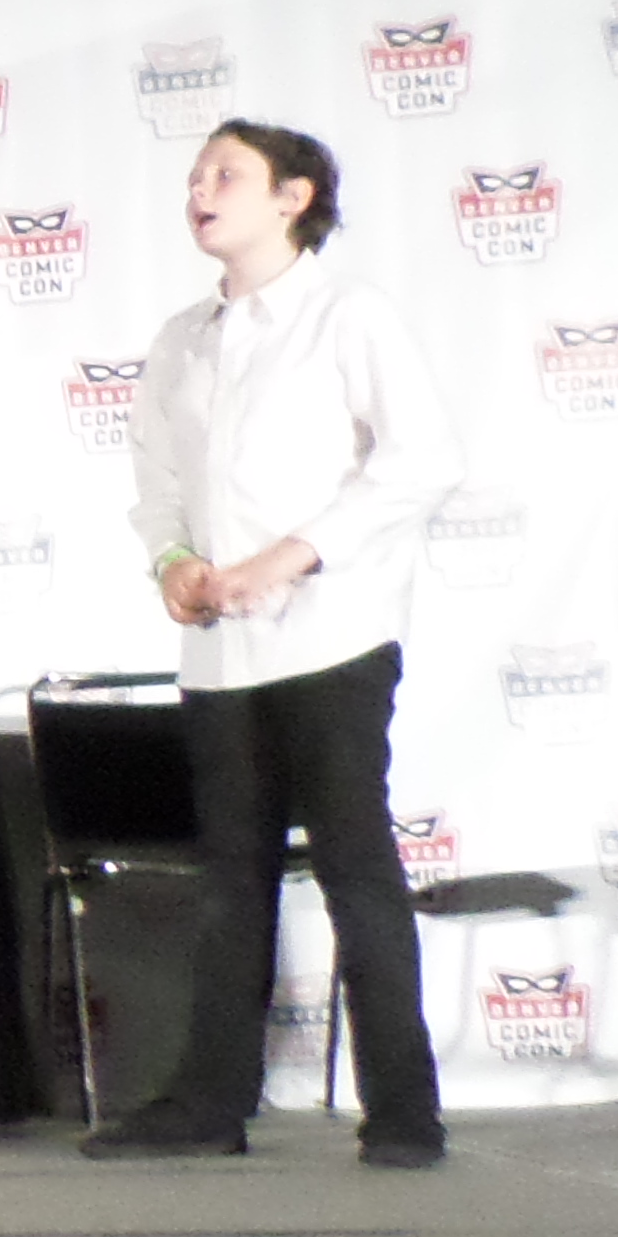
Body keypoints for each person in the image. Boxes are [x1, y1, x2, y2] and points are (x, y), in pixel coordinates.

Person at [86, 117, 456, 1167]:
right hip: (221, 657)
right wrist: (174, 563)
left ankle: (404, 1112)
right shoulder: (183, 339)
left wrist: (290, 557)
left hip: (332, 639)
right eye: (194, 177)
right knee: (229, 885)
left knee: (355, 869)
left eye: (227, 175)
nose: (200, 192)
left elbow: (423, 459)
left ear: (293, 198)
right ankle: (211, 1107)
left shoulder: (347, 315)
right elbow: (156, 481)